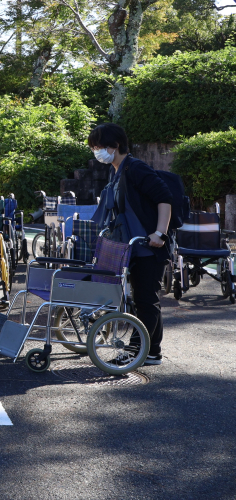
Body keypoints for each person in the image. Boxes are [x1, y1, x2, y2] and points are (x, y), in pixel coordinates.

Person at [89, 123, 172, 366]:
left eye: (98, 146)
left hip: (149, 246)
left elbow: (164, 197)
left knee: (145, 299)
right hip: (133, 247)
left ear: (114, 146)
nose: (96, 151)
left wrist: (160, 233)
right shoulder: (117, 171)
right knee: (145, 299)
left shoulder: (136, 168)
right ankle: (152, 351)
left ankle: (137, 351)